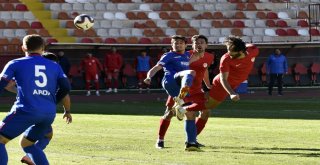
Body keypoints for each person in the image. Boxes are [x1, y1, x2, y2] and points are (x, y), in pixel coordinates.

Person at [0, 34, 71, 165]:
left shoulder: (15, 63)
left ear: (23, 48)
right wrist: (53, 101)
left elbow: (2, 84)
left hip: (26, 110)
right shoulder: (55, 66)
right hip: (49, 114)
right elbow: (66, 87)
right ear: (43, 48)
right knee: (28, 144)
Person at [177, 36, 259, 130]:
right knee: (210, 105)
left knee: (207, 97)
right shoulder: (226, 58)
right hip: (222, 83)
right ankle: (183, 109)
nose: (228, 53)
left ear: (240, 51)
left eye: (231, 51)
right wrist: (231, 93)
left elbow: (251, 46)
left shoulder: (253, 51)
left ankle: (183, 100)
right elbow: (223, 79)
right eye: (228, 49)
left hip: (234, 83)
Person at [155, 35, 214, 151]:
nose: (199, 45)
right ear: (191, 45)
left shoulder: (209, 57)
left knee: (206, 112)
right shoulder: (187, 55)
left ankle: (192, 139)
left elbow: (205, 69)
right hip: (181, 90)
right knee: (169, 114)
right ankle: (160, 139)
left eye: (202, 42)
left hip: (197, 90)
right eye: (196, 43)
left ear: (206, 45)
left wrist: (208, 85)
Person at [144, 35, 195, 108]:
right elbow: (157, 67)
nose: (178, 45)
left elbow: (198, 54)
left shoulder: (187, 55)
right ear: (172, 45)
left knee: (187, 108)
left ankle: (178, 106)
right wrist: (148, 77)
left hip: (181, 83)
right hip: (170, 81)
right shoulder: (168, 55)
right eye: (176, 43)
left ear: (186, 45)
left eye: (181, 43)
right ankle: (180, 100)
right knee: (190, 73)